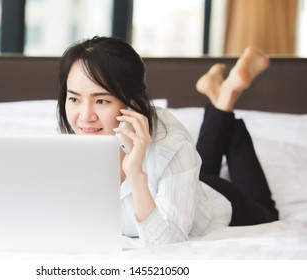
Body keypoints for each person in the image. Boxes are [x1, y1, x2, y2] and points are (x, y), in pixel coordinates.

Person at [56, 36, 278, 245]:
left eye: (101, 101)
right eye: (74, 98)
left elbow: (167, 244)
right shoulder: (68, 140)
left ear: (132, 103)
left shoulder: (172, 143)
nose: (85, 117)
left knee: (268, 212)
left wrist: (135, 173)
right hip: (188, 183)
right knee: (195, 168)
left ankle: (227, 96)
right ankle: (221, 97)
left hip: (218, 205)